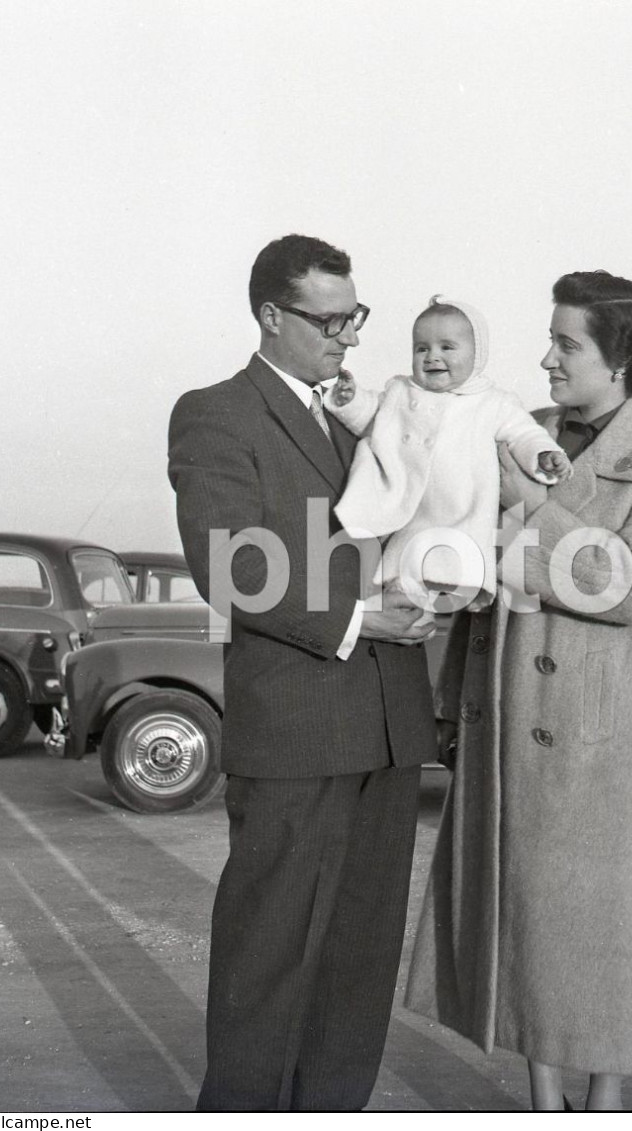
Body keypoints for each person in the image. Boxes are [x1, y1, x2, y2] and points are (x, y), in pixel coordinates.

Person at [404, 270, 632, 1111]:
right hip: (510, 711)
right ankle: (545, 1101)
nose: (544, 359)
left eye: (566, 343)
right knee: (528, 922)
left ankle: (603, 1101)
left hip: (605, 733)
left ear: (621, 360)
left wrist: (530, 512)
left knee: (602, 930)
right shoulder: (523, 432)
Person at [167, 234, 438, 1111]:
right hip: (296, 729)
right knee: (270, 950)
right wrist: (361, 617)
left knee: (358, 959)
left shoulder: (364, 415)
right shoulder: (215, 413)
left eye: (354, 317)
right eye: (328, 320)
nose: (347, 337)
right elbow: (230, 563)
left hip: (390, 724)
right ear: (271, 316)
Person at [327, 294, 571, 613]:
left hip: (463, 507)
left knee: (457, 555)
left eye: (447, 347)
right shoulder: (401, 391)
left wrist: (542, 455)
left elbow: (523, 433)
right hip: (411, 504)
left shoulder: (493, 401)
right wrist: (350, 399)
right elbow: (373, 418)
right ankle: (404, 592)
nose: (432, 357)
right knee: (406, 561)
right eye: (422, 348)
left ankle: (459, 587)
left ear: (476, 354)